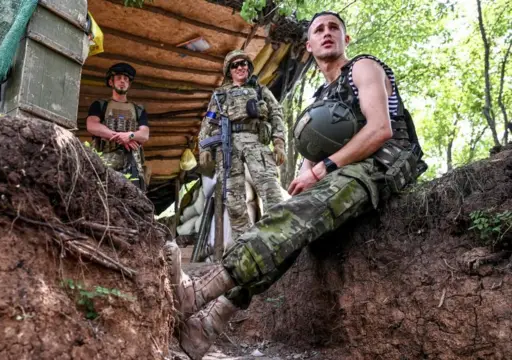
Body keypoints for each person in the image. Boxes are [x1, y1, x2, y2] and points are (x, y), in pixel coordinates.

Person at [165, 11, 427, 359]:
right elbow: (311, 153)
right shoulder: (319, 96)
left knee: (293, 216)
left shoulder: (364, 68)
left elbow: (380, 129)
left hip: (382, 163)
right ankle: (205, 327)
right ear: (309, 45)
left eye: (335, 27)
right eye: (319, 29)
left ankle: (195, 294)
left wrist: (320, 172)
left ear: (346, 39)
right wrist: (303, 179)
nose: (327, 33)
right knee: (287, 224)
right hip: (342, 171)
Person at [198, 49, 287, 243]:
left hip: (256, 143)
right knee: (234, 201)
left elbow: (277, 115)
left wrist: (279, 143)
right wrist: (204, 148)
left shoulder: (261, 90)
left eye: (243, 63)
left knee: (271, 192)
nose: (240, 67)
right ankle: (245, 246)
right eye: (235, 65)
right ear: (229, 71)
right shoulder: (220, 96)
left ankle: (280, 239)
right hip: (228, 147)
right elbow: (208, 122)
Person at [86, 62, 150, 190]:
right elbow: (92, 125)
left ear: (129, 84)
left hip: (132, 165)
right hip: (104, 162)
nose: (122, 81)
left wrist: (130, 135)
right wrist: (120, 137)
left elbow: (144, 134)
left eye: (126, 79)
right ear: (111, 82)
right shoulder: (100, 105)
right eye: (119, 78)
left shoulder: (138, 109)